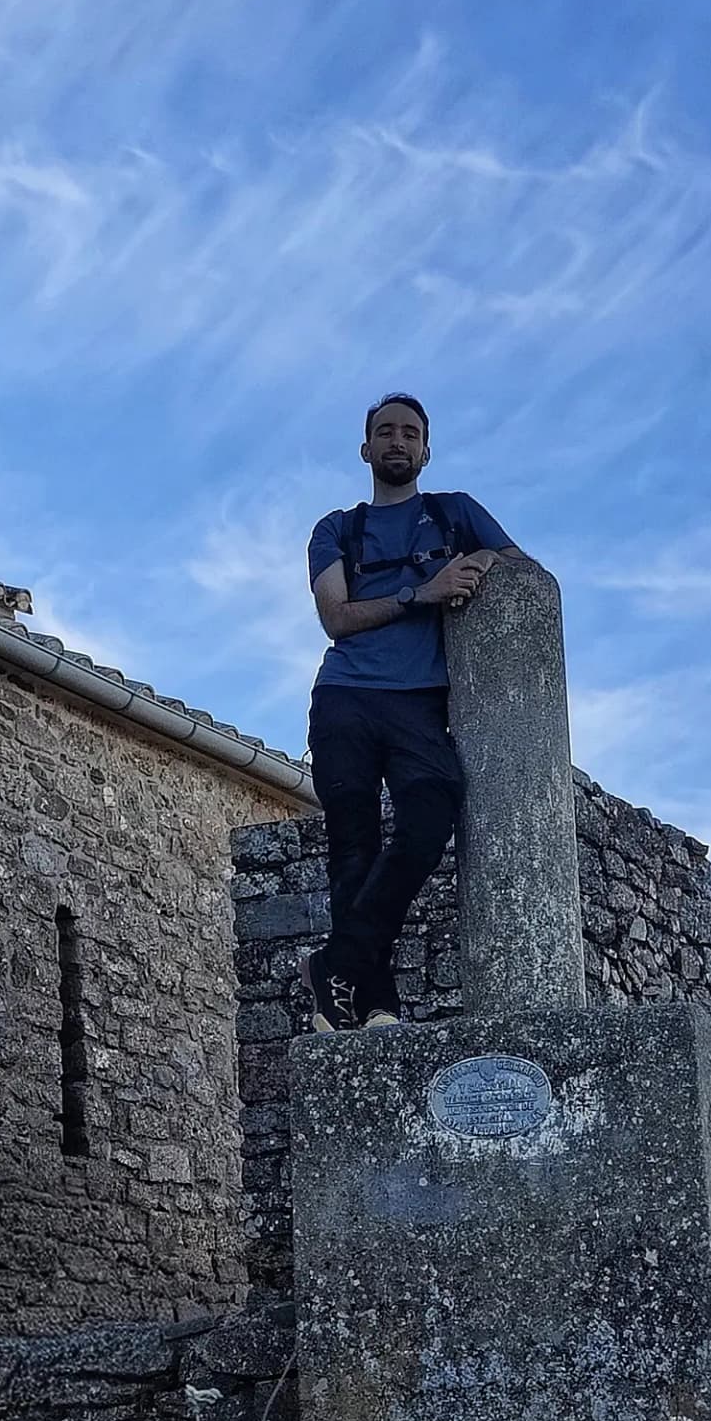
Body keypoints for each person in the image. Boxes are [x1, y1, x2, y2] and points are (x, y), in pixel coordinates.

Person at [302, 393, 520, 1032]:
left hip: (419, 705)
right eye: (385, 432)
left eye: (410, 433)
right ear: (367, 449)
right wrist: (420, 593)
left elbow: (523, 570)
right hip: (345, 699)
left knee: (429, 819)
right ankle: (375, 1003)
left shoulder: (455, 514)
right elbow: (337, 619)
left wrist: (479, 559)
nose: (398, 442)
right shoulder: (336, 529)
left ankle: (334, 965)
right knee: (354, 849)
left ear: (426, 450)